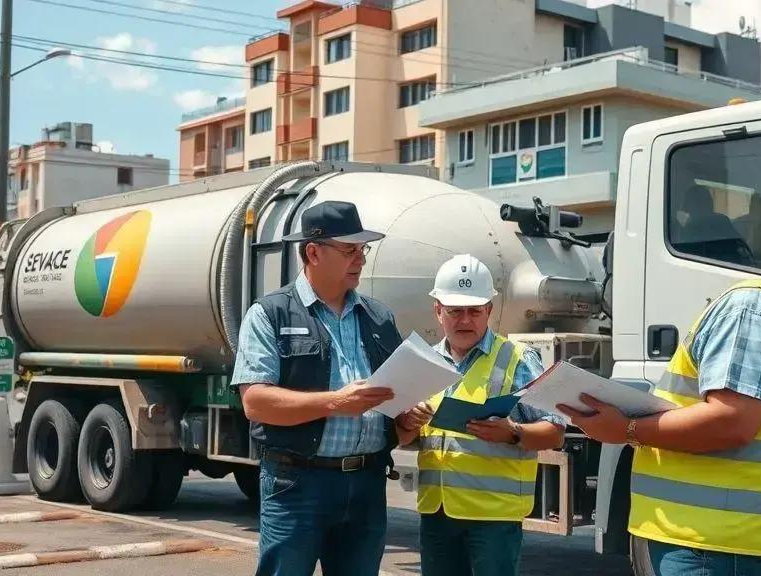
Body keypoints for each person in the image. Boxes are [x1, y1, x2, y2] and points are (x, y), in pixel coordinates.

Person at [558, 279, 761, 576]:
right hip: (704, 542)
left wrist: (627, 429)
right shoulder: (748, 307)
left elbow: (732, 421)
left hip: (705, 544)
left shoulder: (744, 310)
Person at [231, 200, 402, 576]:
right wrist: (338, 402)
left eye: (363, 250)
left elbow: (394, 397)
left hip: (367, 485)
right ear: (313, 251)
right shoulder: (270, 313)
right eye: (349, 250)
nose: (360, 259)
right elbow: (256, 402)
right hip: (297, 485)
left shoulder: (379, 317)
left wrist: (409, 416)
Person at [396, 254, 566, 576]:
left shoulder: (517, 358)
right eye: (455, 311)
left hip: (493, 521)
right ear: (438, 310)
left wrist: (513, 432)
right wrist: (405, 424)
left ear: (489, 309)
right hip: (437, 512)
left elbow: (555, 431)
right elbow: (406, 437)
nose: (465, 320)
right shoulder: (422, 361)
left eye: (475, 311)